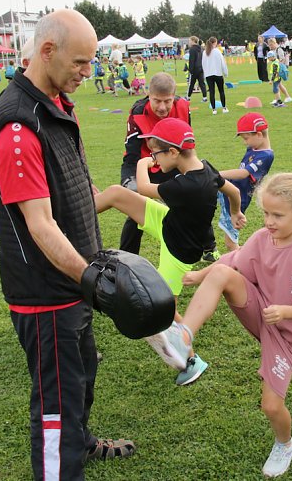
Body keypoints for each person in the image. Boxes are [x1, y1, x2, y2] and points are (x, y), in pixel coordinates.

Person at [0, 10, 135, 480]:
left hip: (73, 282)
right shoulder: (18, 127)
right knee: (55, 405)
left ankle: (81, 442)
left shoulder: (57, 104)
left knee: (82, 373)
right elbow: (41, 226)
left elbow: (76, 189)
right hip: (46, 293)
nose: (88, 72)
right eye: (80, 62)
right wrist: (91, 279)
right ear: (47, 51)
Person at [149, 174, 292, 477]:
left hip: (288, 336)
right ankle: (183, 336)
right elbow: (234, 259)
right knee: (221, 274)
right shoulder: (262, 238)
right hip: (261, 310)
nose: (268, 222)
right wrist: (201, 274)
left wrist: (285, 311)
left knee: (271, 406)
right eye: (266, 213)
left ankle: (285, 444)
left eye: (277, 215)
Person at [96, 117, 244, 386]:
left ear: (173, 152)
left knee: (162, 307)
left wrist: (142, 164)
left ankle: (192, 360)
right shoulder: (206, 169)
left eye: (155, 154)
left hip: (179, 251)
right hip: (169, 223)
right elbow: (232, 190)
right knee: (117, 194)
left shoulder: (186, 187)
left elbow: (142, 187)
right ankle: (71, 215)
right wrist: (236, 212)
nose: (154, 159)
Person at [119, 72, 200, 256]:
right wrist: (131, 182)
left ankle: (208, 246)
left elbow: (186, 146)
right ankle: (126, 256)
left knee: (192, 201)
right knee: (137, 210)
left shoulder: (183, 106)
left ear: (174, 97)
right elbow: (132, 155)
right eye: (156, 101)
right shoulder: (138, 113)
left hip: (172, 162)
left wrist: (192, 172)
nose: (162, 107)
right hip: (145, 165)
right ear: (148, 95)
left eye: (167, 101)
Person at [217, 113, 275, 251]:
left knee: (231, 243)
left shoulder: (266, 156)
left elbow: (243, 173)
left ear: (259, 135)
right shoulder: (254, 147)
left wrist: (216, 174)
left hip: (237, 200)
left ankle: (245, 260)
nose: (245, 142)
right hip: (228, 192)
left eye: (246, 138)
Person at [203, 36, 229, 114]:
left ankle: (214, 109)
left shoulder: (205, 52)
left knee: (211, 92)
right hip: (217, 73)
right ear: (215, 43)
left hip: (208, 75)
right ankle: (224, 107)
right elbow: (223, 63)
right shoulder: (217, 52)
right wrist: (225, 73)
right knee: (221, 91)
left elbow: (203, 64)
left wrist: (205, 74)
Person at [186, 36, 208, 102]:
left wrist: (190, 70)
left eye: (190, 41)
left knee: (191, 83)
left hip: (194, 69)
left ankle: (188, 97)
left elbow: (191, 60)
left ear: (193, 41)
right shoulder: (201, 48)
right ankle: (205, 97)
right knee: (202, 83)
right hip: (201, 68)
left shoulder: (192, 49)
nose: (189, 42)